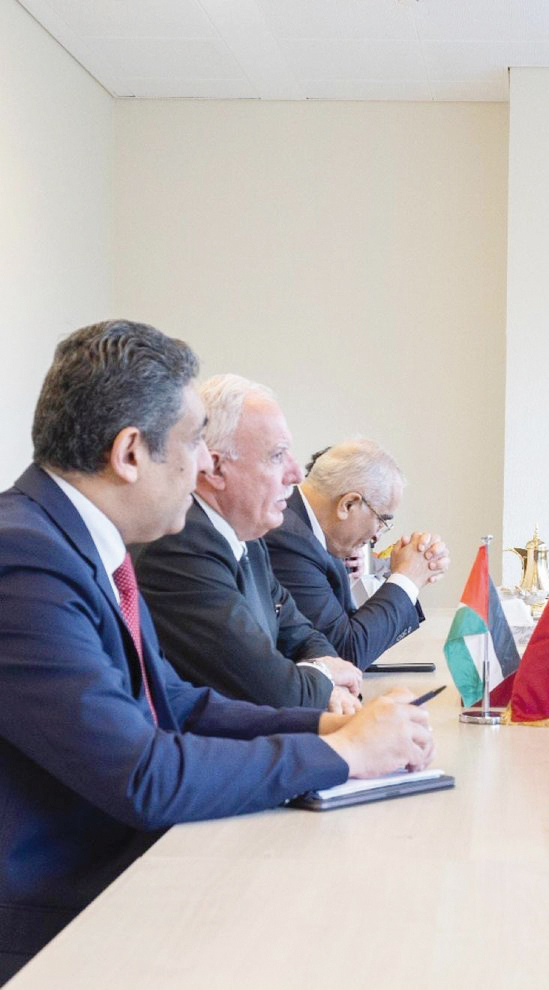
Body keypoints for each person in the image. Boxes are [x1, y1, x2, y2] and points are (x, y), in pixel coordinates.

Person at [0, 320, 433, 981]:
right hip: (55, 928)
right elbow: (143, 775)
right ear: (129, 454)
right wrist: (343, 755)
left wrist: (326, 724)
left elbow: (177, 703)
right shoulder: (24, 557)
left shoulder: (79, 540)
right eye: (198, 441)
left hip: (117, 880)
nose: (207, 464)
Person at [132, 375, 363, 714]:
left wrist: (316, 675)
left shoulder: (247, 538)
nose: (297, 474)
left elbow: (304, 636)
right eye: (277, 456)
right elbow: (271, 690)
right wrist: (325, 677)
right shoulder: (179, 547)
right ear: (214, 468)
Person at [264, 439, 449, 669]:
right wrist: (406, 580)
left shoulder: (315, 531)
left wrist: (402, 577)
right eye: (382, 521)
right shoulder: (288, 539)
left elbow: (349, 629)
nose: (377, 537)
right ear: (349, 504)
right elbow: (343, 654)